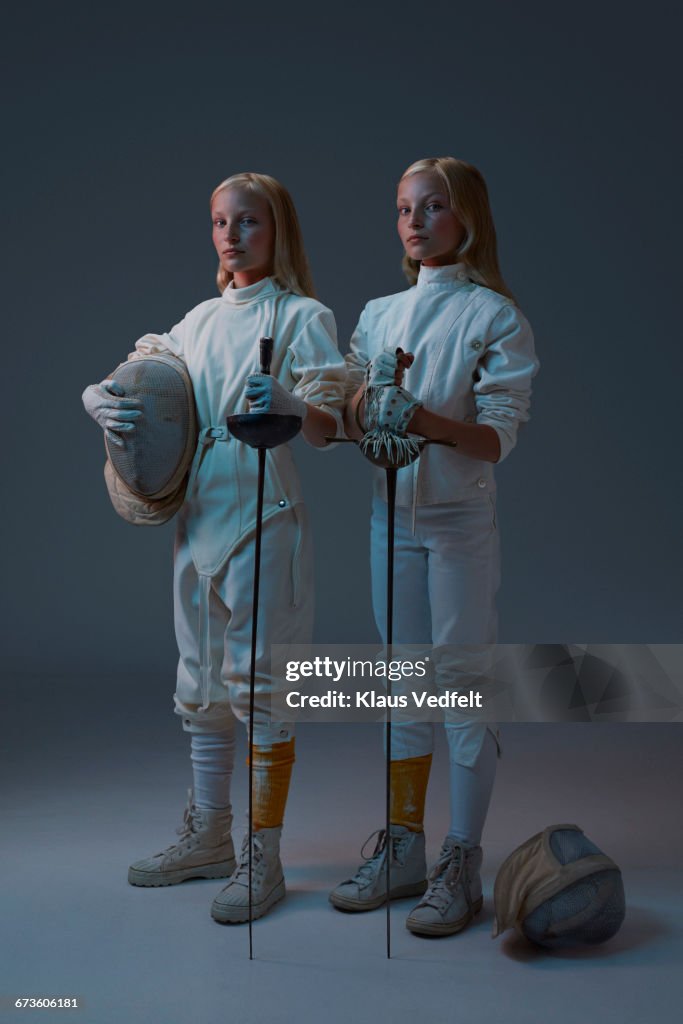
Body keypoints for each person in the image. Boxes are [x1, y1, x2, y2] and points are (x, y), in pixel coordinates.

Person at [83, 172, 346, 923]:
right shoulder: (196, 321)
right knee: (200, 683)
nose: (232, 234)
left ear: (279, 230)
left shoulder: (302, 317)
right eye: (220, 221)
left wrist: (297, 406)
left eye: (250, 222)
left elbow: (331, 421)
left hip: (263, 514)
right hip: (197, 515)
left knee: (260, 686)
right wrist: (100, 394)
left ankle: (263, 853)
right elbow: (146, 370)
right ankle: (209, 839)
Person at [329, 157, 539, 936]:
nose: (414, 222)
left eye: (433, 207)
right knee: (403, 689)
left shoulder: (494, 316)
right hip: (391, 524)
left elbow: (493, 440)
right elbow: (343, 416)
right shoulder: (380, 313)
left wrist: (420, 418)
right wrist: (319, 405)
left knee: (459, 690)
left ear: (467, 217)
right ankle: (406, 848)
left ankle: (462, 860)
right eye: (403, 209)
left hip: (457, 528)